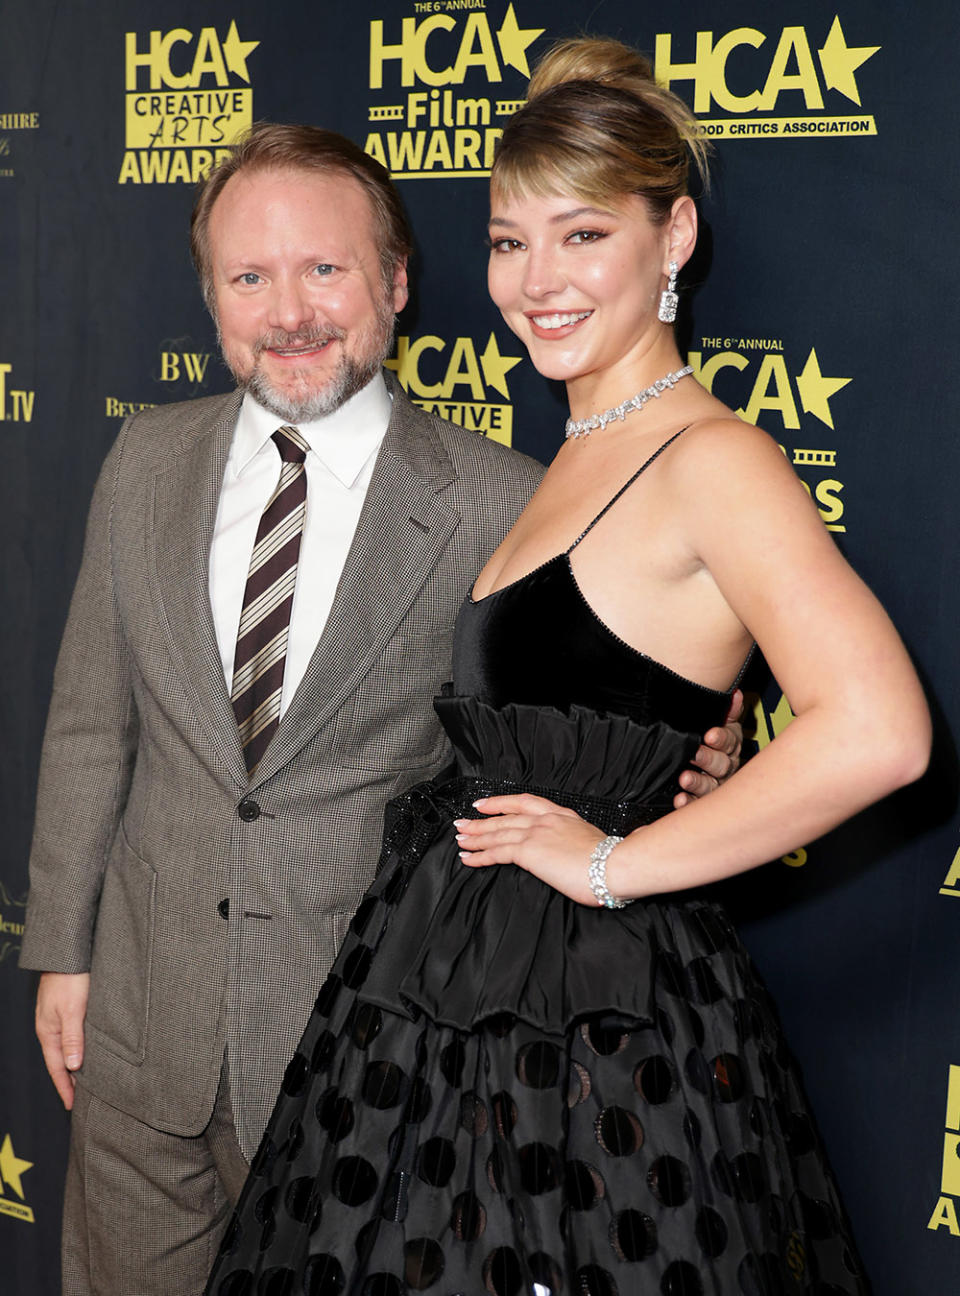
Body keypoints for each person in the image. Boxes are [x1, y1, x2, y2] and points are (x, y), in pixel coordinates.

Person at [206, 38, 931, 1296]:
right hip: (454, 1000)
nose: (535, 281)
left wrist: (611, 861)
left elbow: (879, 727)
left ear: (676, 237)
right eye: (507, 241)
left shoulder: (713, 460)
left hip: (589, 1028)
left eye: (582, 236)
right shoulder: (581, 448)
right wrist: (677, 745)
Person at [19, 122, 739, 1295]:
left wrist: (694, 756)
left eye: (325, 270)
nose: (289, 311)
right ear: (212, 298)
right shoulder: (143, 461)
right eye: (251, 277)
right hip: (142, 1042)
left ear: (396, 284)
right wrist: (61, 951)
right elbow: (92, 724)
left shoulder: (503, 502)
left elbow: (583, 706)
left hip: (367, 1052)